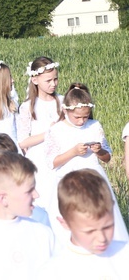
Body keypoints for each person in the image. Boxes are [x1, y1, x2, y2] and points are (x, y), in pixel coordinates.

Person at [44, 83, 128, 242]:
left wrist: (99, 151)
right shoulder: (56, 130)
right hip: (69, 180)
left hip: (94, 178)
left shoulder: (94, 126)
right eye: (77, 117)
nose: (82, 121)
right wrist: (73, 152)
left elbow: (107, 157)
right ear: (65, 110)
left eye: (85, 116)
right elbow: (51, 162)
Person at [38, 169, 129, 278]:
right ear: (65, 223)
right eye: (90, 231)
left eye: (107, 227)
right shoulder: (54, 272)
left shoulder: (124, 254)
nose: (101, 238)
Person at [16, 57, 61, 204]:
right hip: (39, 159)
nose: (53, 84)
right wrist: (49, 132)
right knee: (44, 199)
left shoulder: (63, 101)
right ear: (35, 80)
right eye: (48, 81)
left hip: (61, 156)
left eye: (55, 79)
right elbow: (23, 142)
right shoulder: (28, 106)